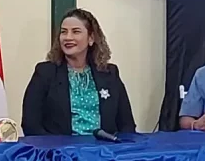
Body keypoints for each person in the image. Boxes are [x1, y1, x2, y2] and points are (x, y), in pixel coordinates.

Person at [22, 8, 136, 136]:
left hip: (105, 151)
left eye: (75, 32)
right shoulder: (45, 72)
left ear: (91, 38)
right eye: (63, 32)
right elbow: (30, 124)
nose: (68, 37)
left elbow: (127, 125)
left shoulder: (110, 73)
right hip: (61, 152)